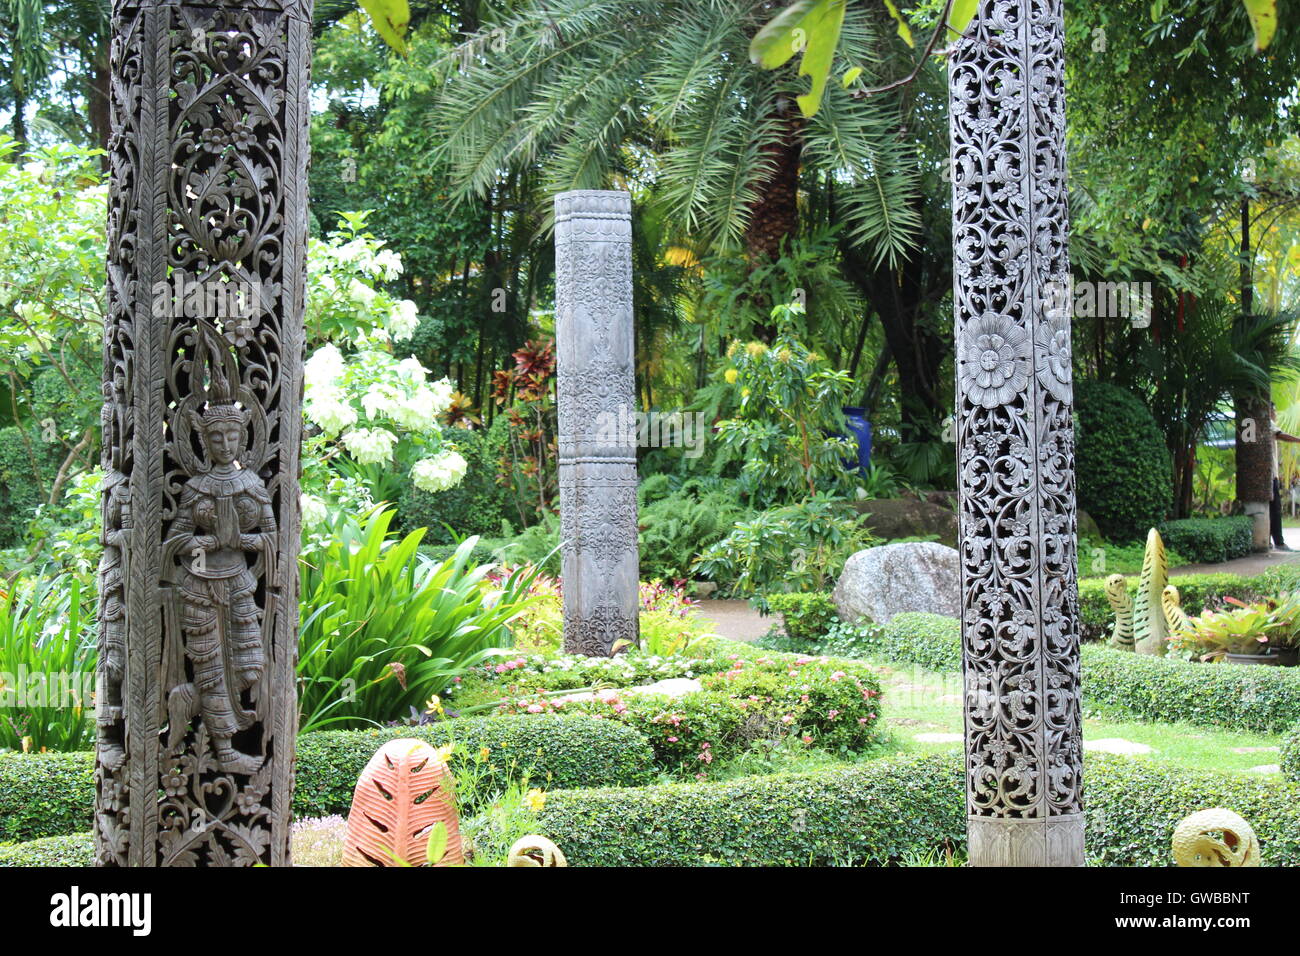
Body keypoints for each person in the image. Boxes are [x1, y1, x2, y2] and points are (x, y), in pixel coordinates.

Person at [1270, 404, 1300, 551]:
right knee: (1275, 508)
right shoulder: (1267, 422)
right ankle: (1279, 542)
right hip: (1269, 475)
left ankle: (1273, 540)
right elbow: (1280, 435)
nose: (1275, 414)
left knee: (1272, 508)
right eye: (1274, 410)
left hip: (1271, 473)